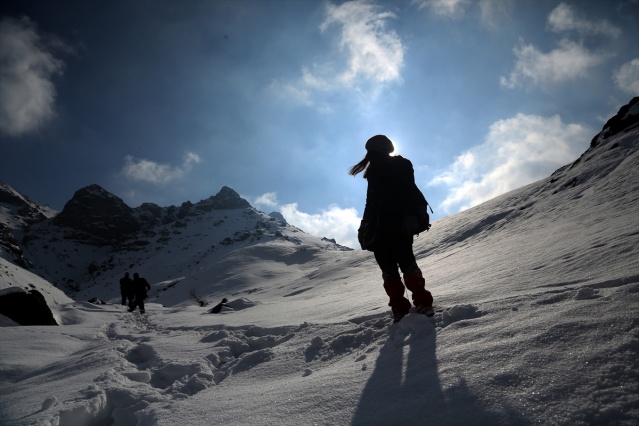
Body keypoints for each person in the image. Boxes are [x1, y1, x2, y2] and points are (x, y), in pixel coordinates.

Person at [349, 134, 434, 323]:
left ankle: (407, 307)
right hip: (387, 227)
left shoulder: (397, 166)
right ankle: (412, 306)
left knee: (397, 268)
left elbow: (406, 191)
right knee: (402, 266)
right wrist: (365, 226)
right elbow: (372, 202)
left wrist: (367, 225)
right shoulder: (381, 170)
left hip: (391, 226)